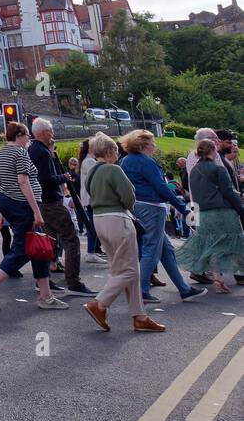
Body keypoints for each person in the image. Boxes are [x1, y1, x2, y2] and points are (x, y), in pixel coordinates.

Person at [0, 122, 69, 311]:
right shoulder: (20, 153)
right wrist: (36, 210)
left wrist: (1, 212)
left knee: (38, 247)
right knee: (25, 247)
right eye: (27, 135)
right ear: (19, 135)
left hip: (8, 201)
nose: (29, 138)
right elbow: (23, 181)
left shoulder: (0, 153)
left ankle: (46, 296)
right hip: (23, 204)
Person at [82, 132, 165, 332]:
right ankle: (100, 304)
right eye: (116, 151)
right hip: (118, 218)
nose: (118, 155)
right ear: (110, 151)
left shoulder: (91, 172)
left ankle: (139, 315)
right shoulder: (114, 170)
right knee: (129, 270)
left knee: (123, 270)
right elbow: (129, 196)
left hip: (99, 220)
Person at [120, 129, 206, 303]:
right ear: (144, 144)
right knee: (151, 248)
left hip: (137, 206)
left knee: (166, 250)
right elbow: (161, 187)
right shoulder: (147, 162)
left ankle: (184, 289)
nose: (155, 145)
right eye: (152, 142)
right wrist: (183, 208)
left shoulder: (125, 161)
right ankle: (141, 291)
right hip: (152, 207)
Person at [26, 118, 93, 297]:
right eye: (50, 130)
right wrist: (64, 177)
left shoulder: (33, 150)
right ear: (41, 132)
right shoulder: (42, 152)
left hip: (43, 202)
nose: (53, 133)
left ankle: (44, 278)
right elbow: (45, 179)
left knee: (49, 242)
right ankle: (73, 281)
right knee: (71, 239)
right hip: (51, 202)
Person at [177, 137, 244, 293]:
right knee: (236, 243)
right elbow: (228, 192)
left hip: (204, 213)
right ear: (213, 150)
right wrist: (241, 209)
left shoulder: (193, 171)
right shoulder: (218, 169)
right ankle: (239, 274)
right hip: (222, 212)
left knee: (212, 247)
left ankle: (217, 279)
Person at [77, 139, 107, 263]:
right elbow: (98, 176)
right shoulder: (89, 161)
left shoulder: (86, 160)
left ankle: (93, 251)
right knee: (94, 226)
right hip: (92, 198)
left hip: (89, 198)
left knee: (93, 226)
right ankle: (91, 252)